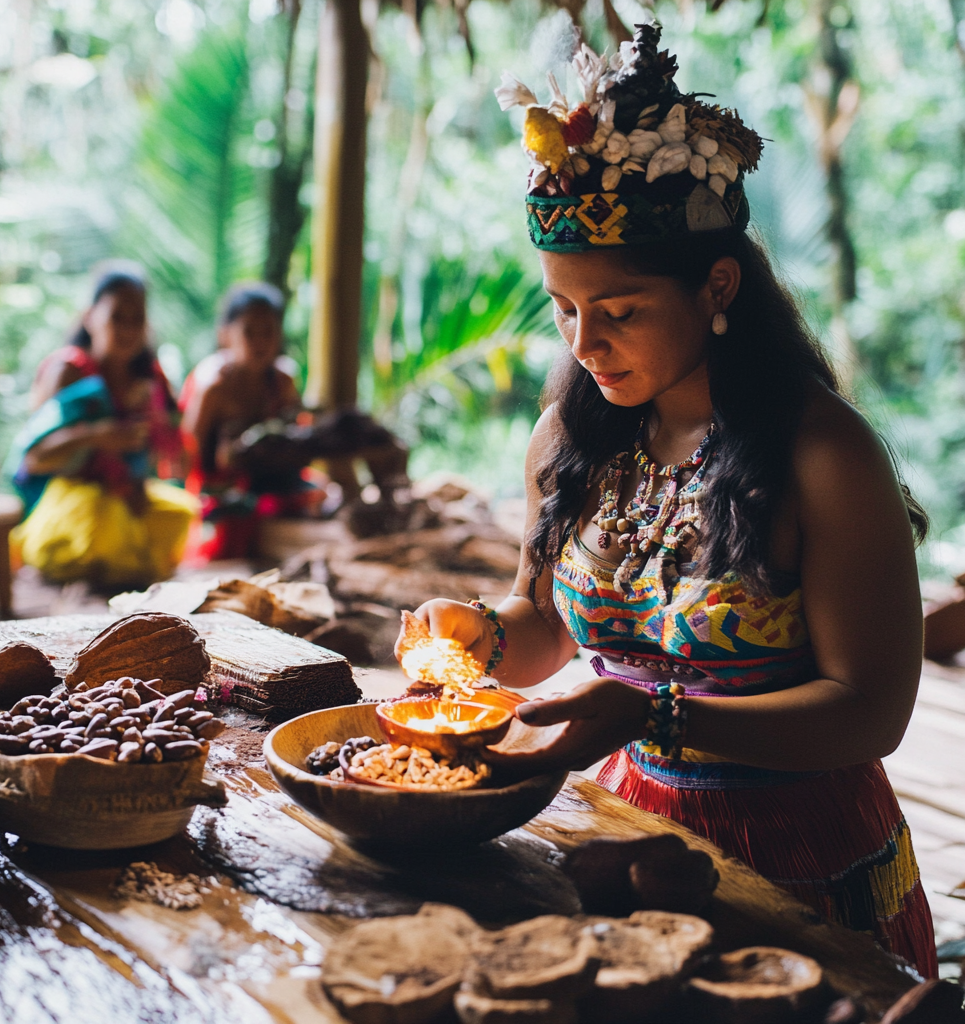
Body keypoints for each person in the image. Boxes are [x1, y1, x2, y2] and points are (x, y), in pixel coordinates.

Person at [396, 27, 938, 977]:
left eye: (621, 310)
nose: (586, 343)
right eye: (565, 310)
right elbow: (543, 630)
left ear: (717, 286)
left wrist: (656, 716)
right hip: (626, 829)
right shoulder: (571, 437)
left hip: (804, 857)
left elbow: (870, 712)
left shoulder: (822, 454)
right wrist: (475, 632)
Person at [180, 281, 409, 558]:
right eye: (249, 332)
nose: (259, 342)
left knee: (325, 494)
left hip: (270, 481)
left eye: (268, 332)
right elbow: (186, 454)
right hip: (224, 492)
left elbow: (295, 438)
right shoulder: (213, 386)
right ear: (225, 335)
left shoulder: (281, 381)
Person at [8, 262, 198, 585]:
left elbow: (176, 458)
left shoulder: (150, 377)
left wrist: (156, 427)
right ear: (89, 317)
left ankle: (122, 557)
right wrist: (95, 436)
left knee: (181, 512)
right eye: (117, 318)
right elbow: (34, 458)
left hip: (124, 494)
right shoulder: (69, 371)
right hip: (72, 496)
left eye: (136, 319)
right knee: (103, 522)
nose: (127, 329)